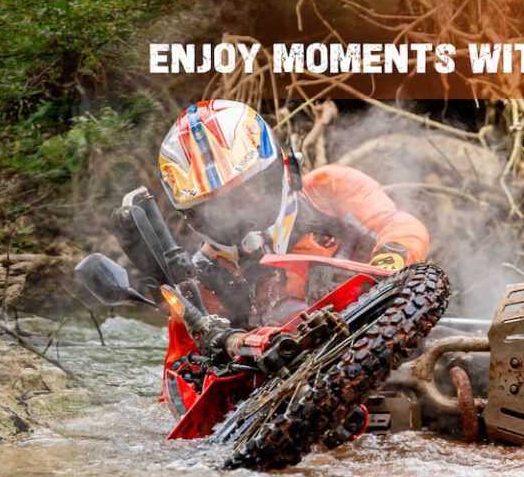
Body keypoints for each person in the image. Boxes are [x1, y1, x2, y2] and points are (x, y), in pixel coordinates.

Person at [146, 100, 428, 332]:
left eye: (250, 191)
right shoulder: (209, 272)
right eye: (213, 209)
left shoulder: (330, 189)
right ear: (191, 218)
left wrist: (387, 265)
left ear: (284, 169)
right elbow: (186, 370)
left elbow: (401, 226)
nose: (238, 213)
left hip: (382, 328)